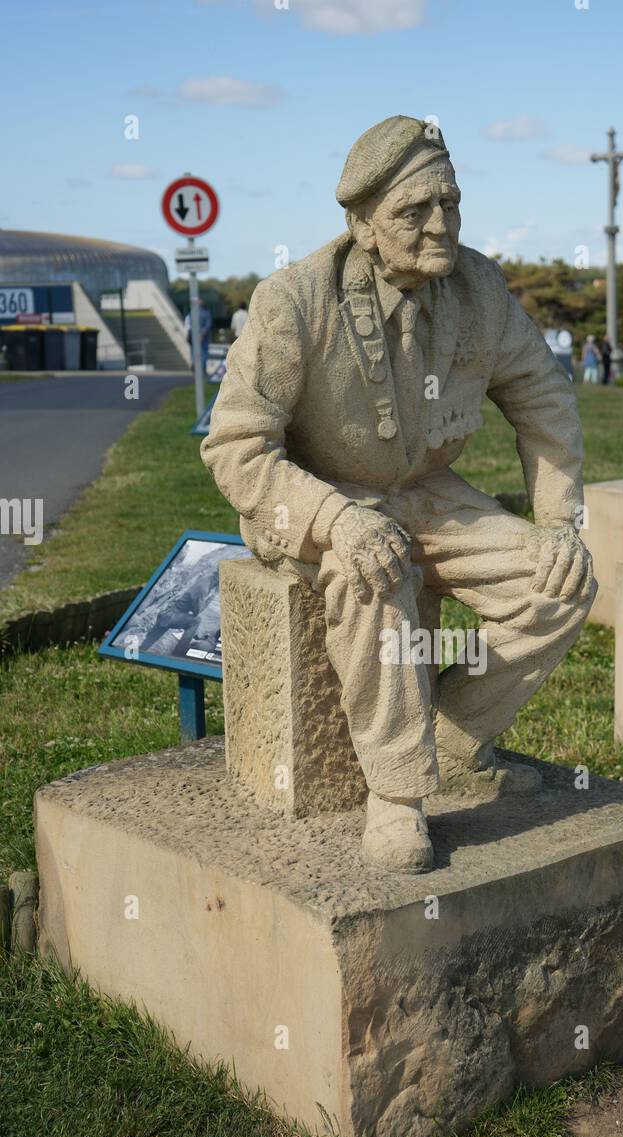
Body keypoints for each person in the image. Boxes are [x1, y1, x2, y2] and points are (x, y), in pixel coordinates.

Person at [202, 115, 596, 873]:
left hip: (428, 491)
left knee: (561, 581)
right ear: (364, 225)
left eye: (450, 202)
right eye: (416, 211)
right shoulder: (294, 302)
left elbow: (544, 398)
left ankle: (448, 735)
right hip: (315, 499)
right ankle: (397, 795)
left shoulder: (478, 287)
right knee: (375, 573)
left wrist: (558, 521)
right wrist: (334, 520)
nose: (441, 224)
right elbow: (237, 444)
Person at [184, 302, 212, 373]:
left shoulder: (192, 314)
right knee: (204, 352)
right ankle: (202, 367)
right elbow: (208, 325)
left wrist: (189, 335)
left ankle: (194, 364)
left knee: (194, 351)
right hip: (204, 336)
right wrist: (202, 333)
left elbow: (189, 325)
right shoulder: (206, 313)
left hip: (194, 335)